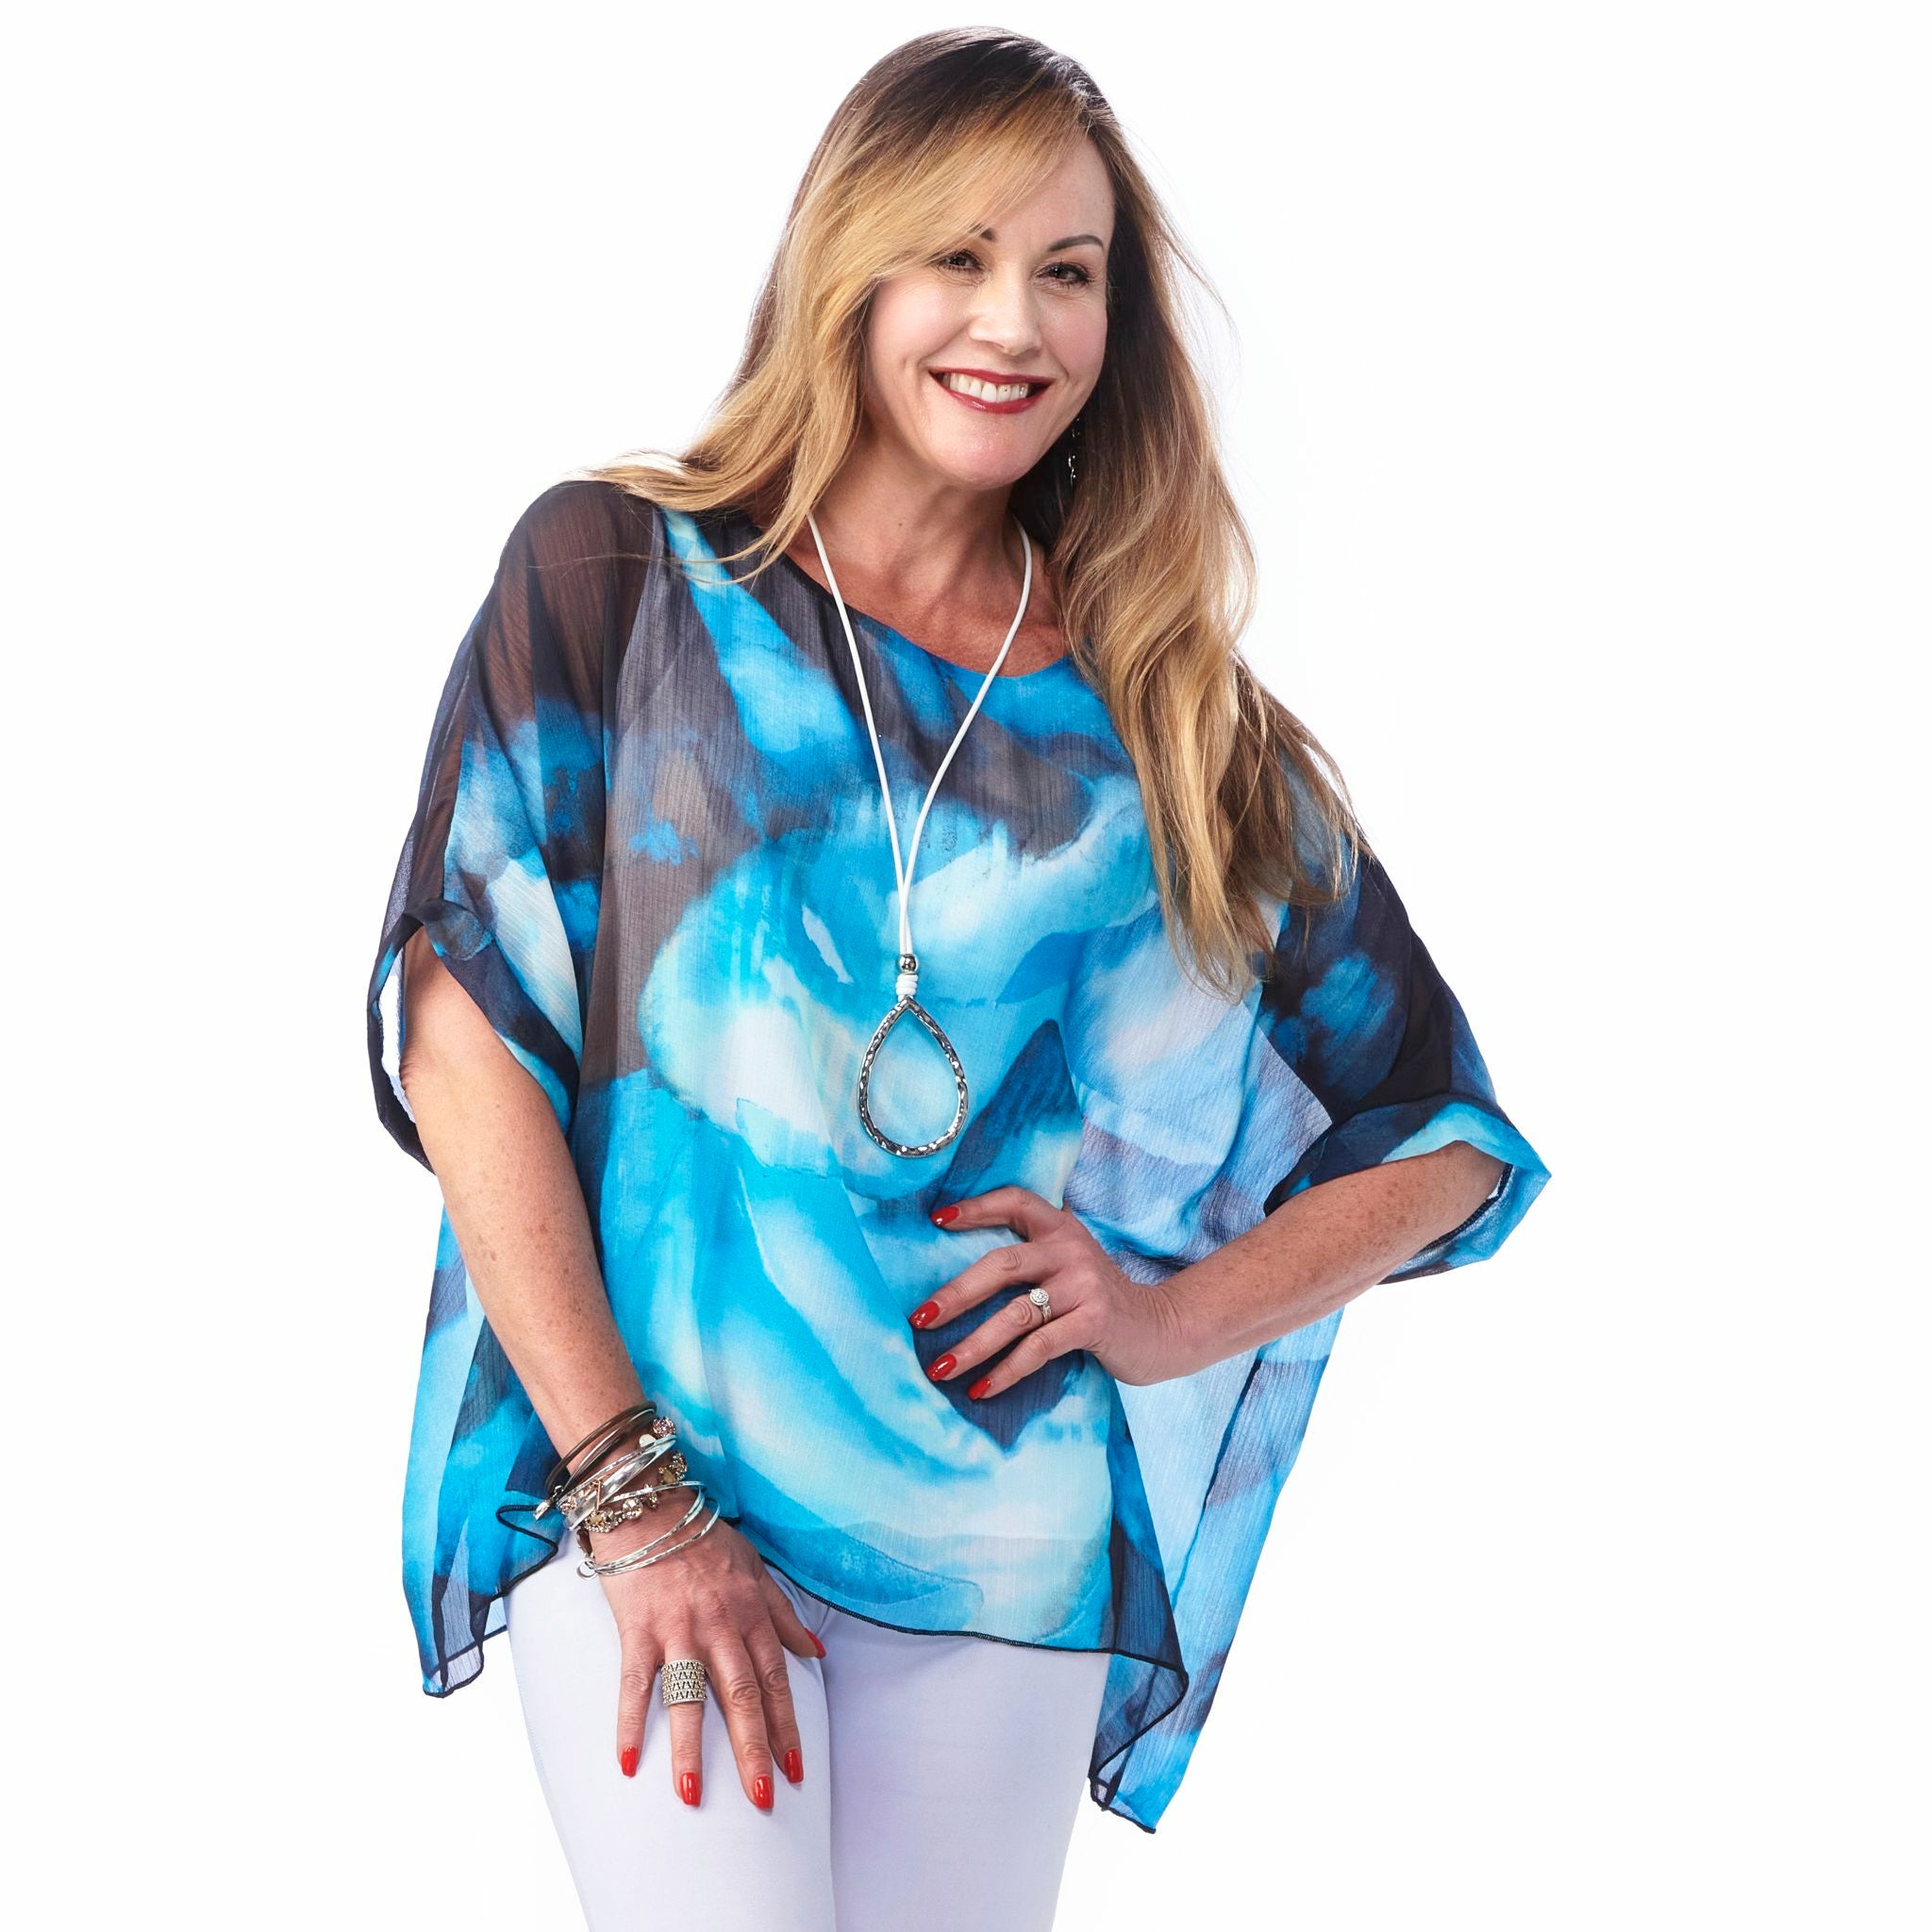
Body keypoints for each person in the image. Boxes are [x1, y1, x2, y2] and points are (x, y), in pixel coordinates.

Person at [364, 27, 1551, 1932]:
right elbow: (465, 1034)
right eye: (959, 254)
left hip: (998, 1540)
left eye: (1069, 271)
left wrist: (1162, 1315)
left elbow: (1447, 1141)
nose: (1014, 322)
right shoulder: (616, 574)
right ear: (850, 268)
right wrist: (631, 1494)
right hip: (645, 1484)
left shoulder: (1164, 713)